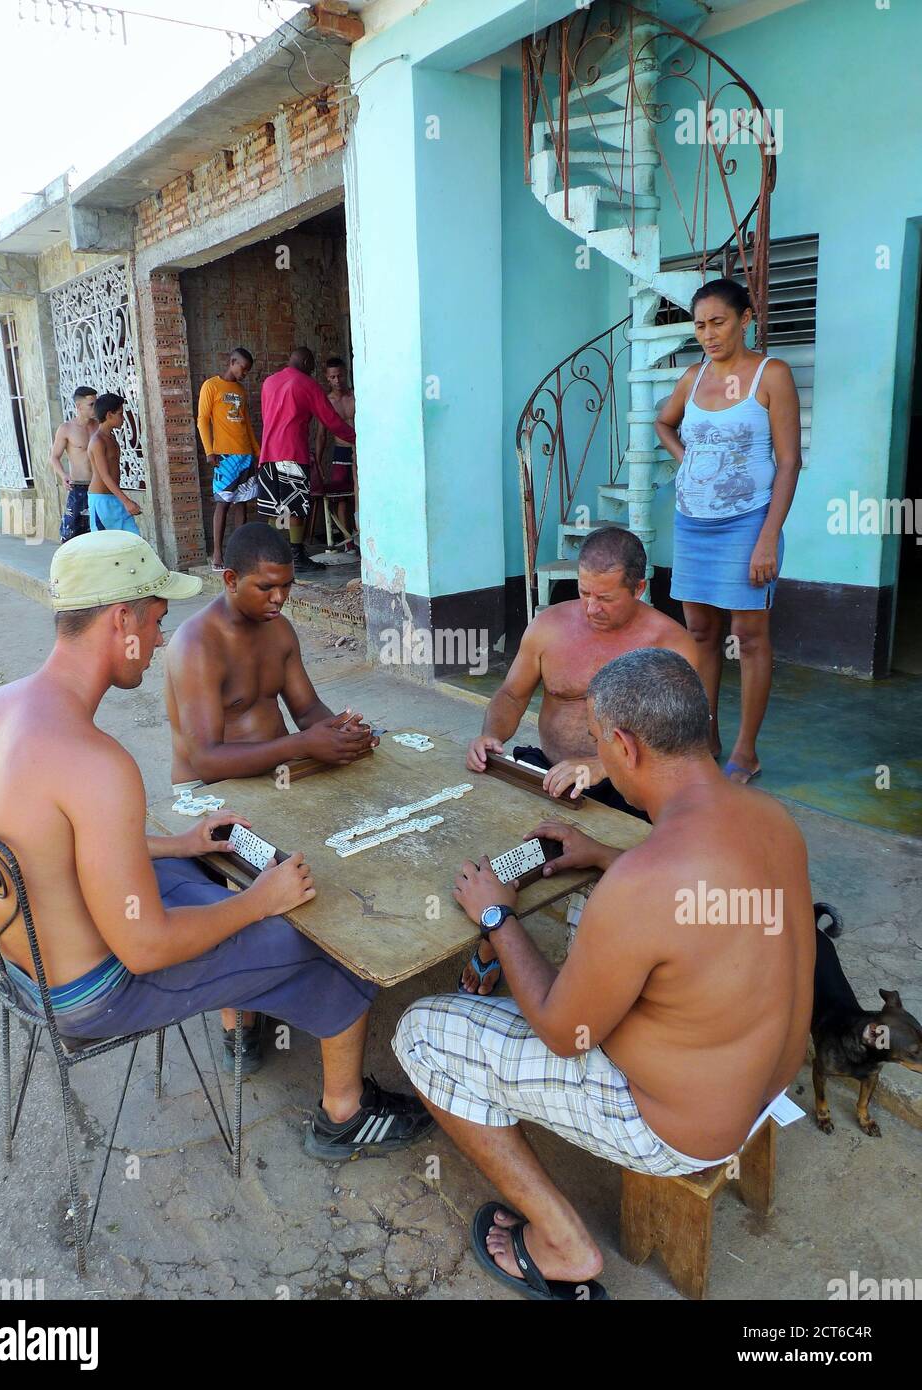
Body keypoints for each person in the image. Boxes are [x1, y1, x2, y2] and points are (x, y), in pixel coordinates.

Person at [0, 530, 432, 1160]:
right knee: (331, 939)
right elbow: (146, 946)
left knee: (207, 882)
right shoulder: (97, 764)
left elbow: (46, 845)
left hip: (21, 967)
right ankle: (344, 1114)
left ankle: (249, 1024)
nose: (157, 642)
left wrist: (173, 845)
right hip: (93, 994)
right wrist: (261, 901)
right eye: (154, 621)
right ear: (121, 618)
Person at [394, 647, 815, 1300]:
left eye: (596, 741)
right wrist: (605, 855)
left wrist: (499, 919)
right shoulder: (773, 821)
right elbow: (700, 900)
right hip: (763, 1085)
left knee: (421, 1032)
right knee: (597, 911)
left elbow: (567, 1034)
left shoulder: (647, 882)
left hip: (677, 1131)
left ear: (622, 744)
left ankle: (561, 1244)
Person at [164, 522, 377, 1072]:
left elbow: (307, 710)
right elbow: (206, 756)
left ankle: (308, 975)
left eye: (286, 587)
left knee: (347, 848)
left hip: (280, 775)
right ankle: (240, 1023)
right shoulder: (196, 644)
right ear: (230, 579)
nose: (279, 599)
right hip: (211, 796)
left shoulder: (279, 632)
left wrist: (342, 732)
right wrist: (306, 743)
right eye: (266, 588)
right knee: (247, 891)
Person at [462, 527, 699, 994]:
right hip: (545, 770)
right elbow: (511, 693)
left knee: (626, 881)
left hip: (628, 784)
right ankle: (493, 940)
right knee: (495, 847)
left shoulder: (671, 646)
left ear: (639, 588)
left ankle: (591, 976)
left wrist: (601, 765)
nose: (592, 607)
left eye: (606, 598)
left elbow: (681, 746)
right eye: (585, 592)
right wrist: (491, 734)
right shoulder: (551, 625)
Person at [655, 277, 801, 784]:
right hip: (693, 523)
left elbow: (788, 463)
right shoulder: (693, 377)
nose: (709, 334)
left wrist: (767, 536)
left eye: (718, 322)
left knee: (750, 636)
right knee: (700, 633)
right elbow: (664, 424)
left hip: (748, 523)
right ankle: (707, 736)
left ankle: (746, 750)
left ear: (745, 317)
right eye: (699, 325)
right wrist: (687, 461)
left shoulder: (771, 374)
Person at [257, 347, 356, 573]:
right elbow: (331, 420)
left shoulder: (269, 383)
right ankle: (297, 557)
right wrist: (357, 438)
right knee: (296, 509)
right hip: (292, 453)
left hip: (268, 454)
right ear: (306, 361)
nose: (312, 371)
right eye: (312, 366)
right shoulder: (307, 384)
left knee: (278, 508)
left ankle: (277, 558)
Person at [197, 347, 261, 572]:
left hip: (245, 455)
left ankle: (238, 553)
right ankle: (217, 554)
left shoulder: (241, 391)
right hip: (224, 456)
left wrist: (257, 450)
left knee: (242, 503)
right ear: (232, 361)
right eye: (243, 368)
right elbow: (202, 420)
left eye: (247, 371)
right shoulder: (211, 386)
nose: (244, 374)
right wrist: (209, 451)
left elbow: (247, 424)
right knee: (223, 503)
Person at [312, 355, 357, 549]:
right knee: (341, 498)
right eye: (332, 377)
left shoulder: (356, 396)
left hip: (360, 451)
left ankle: (363, 537)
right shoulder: (327, 402)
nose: (337, 380)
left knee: (361, 495)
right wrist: (318, 463)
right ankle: (348, 544)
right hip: (340, 452)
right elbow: (321, 435)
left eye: (340, 375)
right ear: (327, 378)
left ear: (346, 374)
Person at [88, 393, 141, 535]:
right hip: (102, 502)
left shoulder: (111, 438)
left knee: (134, 540)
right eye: (120, 414)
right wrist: (127, 501)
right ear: (109, 415)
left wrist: (123, 500)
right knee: (107, 548)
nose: (123, 418)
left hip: (115, 498)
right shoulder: (97, 441)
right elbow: (104, 476)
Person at [49, 385, 98, 543]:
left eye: (96, 403)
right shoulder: (67, 429)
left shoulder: (99, 426)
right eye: (91, 404)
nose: (95, 408)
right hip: (79, 486)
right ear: (79, 406)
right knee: (71, 534)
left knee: (99, 532)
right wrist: (63, 475)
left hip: (100, 486)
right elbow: (54, 457)